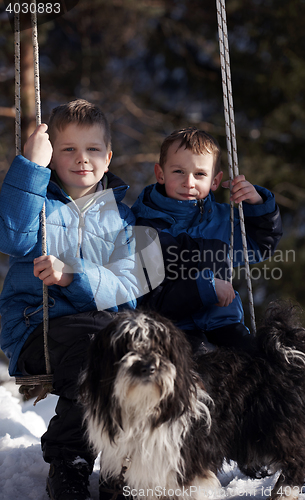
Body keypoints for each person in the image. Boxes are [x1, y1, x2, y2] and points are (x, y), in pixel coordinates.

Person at [0, 99, 150, 500]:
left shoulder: (122, 217)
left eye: (92, 149)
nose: (81, 159)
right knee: (98, 351)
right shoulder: (39, 201)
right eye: (68, 149)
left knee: (133, 360)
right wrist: (30, 167)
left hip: (103, 331)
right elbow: (11, 237)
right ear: (53, 156)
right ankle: (70, 460)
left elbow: (129, 281)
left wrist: (75, 275)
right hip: (38, 328)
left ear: (109, 156)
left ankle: (119, 465)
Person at [132, 127, 283, 353]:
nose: (189, 182)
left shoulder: (223, 220)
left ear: (215, 180)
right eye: (179, 172)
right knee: (203, 362)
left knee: (258, 361)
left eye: (200, 174)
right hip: (172, 327)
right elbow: (149, 297)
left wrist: (257, 204)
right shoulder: (145, 226)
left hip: (224, 323)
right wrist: (206, 288)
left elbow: (261, 245)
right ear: (160, 174)